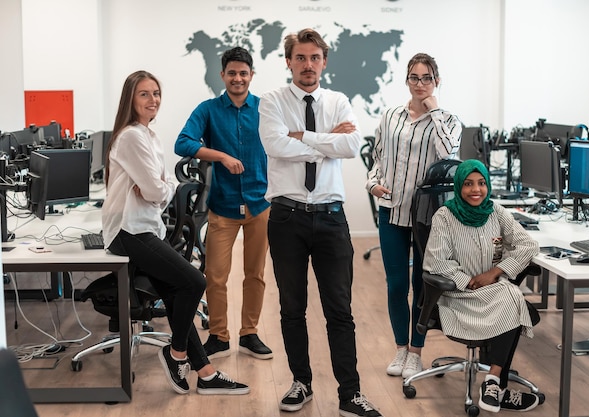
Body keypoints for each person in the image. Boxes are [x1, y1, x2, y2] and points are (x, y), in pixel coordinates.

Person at [259, 28, 383, 417]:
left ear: (324, 62)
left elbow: (350, 146)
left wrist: (307, 138)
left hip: (331, 219)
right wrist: (326, 139)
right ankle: (301, 383)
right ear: (288, 61)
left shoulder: (338, 100)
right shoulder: (272, 101)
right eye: (300, 57)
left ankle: (350, 395)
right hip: (286, 217)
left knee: (340, 311)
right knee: (292, 308)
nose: (308, 64)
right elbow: (275, 145)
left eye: (315, 57)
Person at [102, 70, 249, 396]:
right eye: (144, 94)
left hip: (145, 227)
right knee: (195, 282)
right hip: (129, 230)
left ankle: (206, 374)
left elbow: (161, 187)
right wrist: (158, 187)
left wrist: (158, 187)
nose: (152, 99)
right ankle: (176, 354)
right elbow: (158, 189)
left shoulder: (149, 136)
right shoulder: (130, 137)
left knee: (174, 292)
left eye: (156, 93)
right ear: (130, 99)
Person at [365, 53, 462, 380]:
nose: (420, 84)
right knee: (396, 285)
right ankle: (400, 349)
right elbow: (378, 158)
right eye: (414, 78)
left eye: (426, 78)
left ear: (436, 81)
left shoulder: (448, 120)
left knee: (423, 287)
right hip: (391, 211)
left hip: (427, 217)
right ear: (407, 80)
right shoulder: (390, 116)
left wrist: (433, 110)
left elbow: (448, 153)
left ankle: (417, 353)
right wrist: (373, 183)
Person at [175, 47, 272, 360]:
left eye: (243, 73)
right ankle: (218, 335)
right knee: (215, 276)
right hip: (223, 206)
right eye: (232, 73)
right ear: (223, 76)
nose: (238, 78)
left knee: (255, 274)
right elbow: (183, 143)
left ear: (251, 76)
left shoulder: (266, 108)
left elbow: (290, 139)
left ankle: (250, 334)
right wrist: (220, 156)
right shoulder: (208, 109)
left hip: (261, 204)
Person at [422, 159, 542, 413]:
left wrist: (496, 272)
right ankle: (499, 388)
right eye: (468, 184)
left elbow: (528, 245)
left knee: (510, 295)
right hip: (459, 295)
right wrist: (470, 282)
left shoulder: (496, 212)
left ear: (487, 185)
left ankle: (493, 381)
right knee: (514, 299)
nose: (475, 190)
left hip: (494, 291)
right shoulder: (445, 216)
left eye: (481, 183)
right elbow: (436, 262)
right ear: (458, 186)